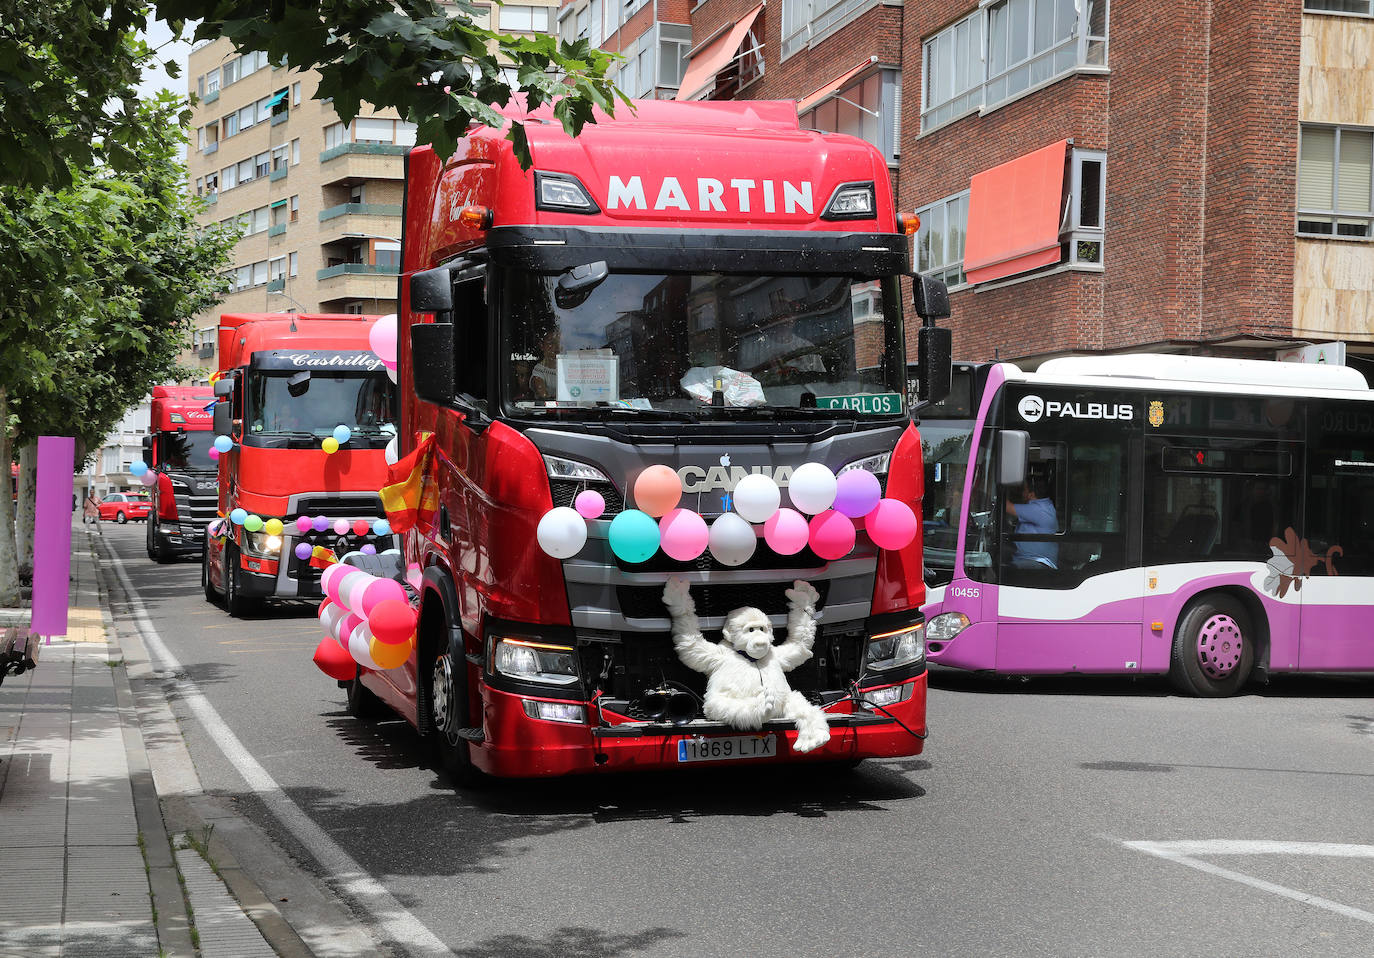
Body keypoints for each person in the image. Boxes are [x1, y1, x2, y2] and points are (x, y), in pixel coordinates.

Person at [1006, 474, 1058, 570]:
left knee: (1003, 571)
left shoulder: (1039, 509)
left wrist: (997, 490)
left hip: (1037, 562)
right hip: (1027, 558)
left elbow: (1006, 506)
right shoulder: (1044, 505)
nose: (1021, 493)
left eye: (1024, 489)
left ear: (1031, 494)